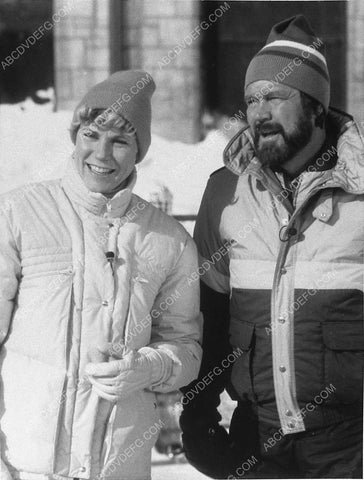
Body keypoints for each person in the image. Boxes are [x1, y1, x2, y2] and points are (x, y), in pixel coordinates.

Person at [180, 15, 363, 479]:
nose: (258, 113)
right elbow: (209, 314)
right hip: (256, 444)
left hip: (350, 447)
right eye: (251, 100)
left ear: (318, 108)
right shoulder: (225, 193)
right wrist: (199, 420)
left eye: (276, 97)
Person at [0, 70, 202, 480]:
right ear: (75, 135)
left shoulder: (171, 241)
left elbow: (187, 348)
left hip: (119, 466)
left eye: (120, 141)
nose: (102, 154)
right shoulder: (18, 214)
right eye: (91, 134)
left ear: (139, 151)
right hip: (24, 465)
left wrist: (149, 367)